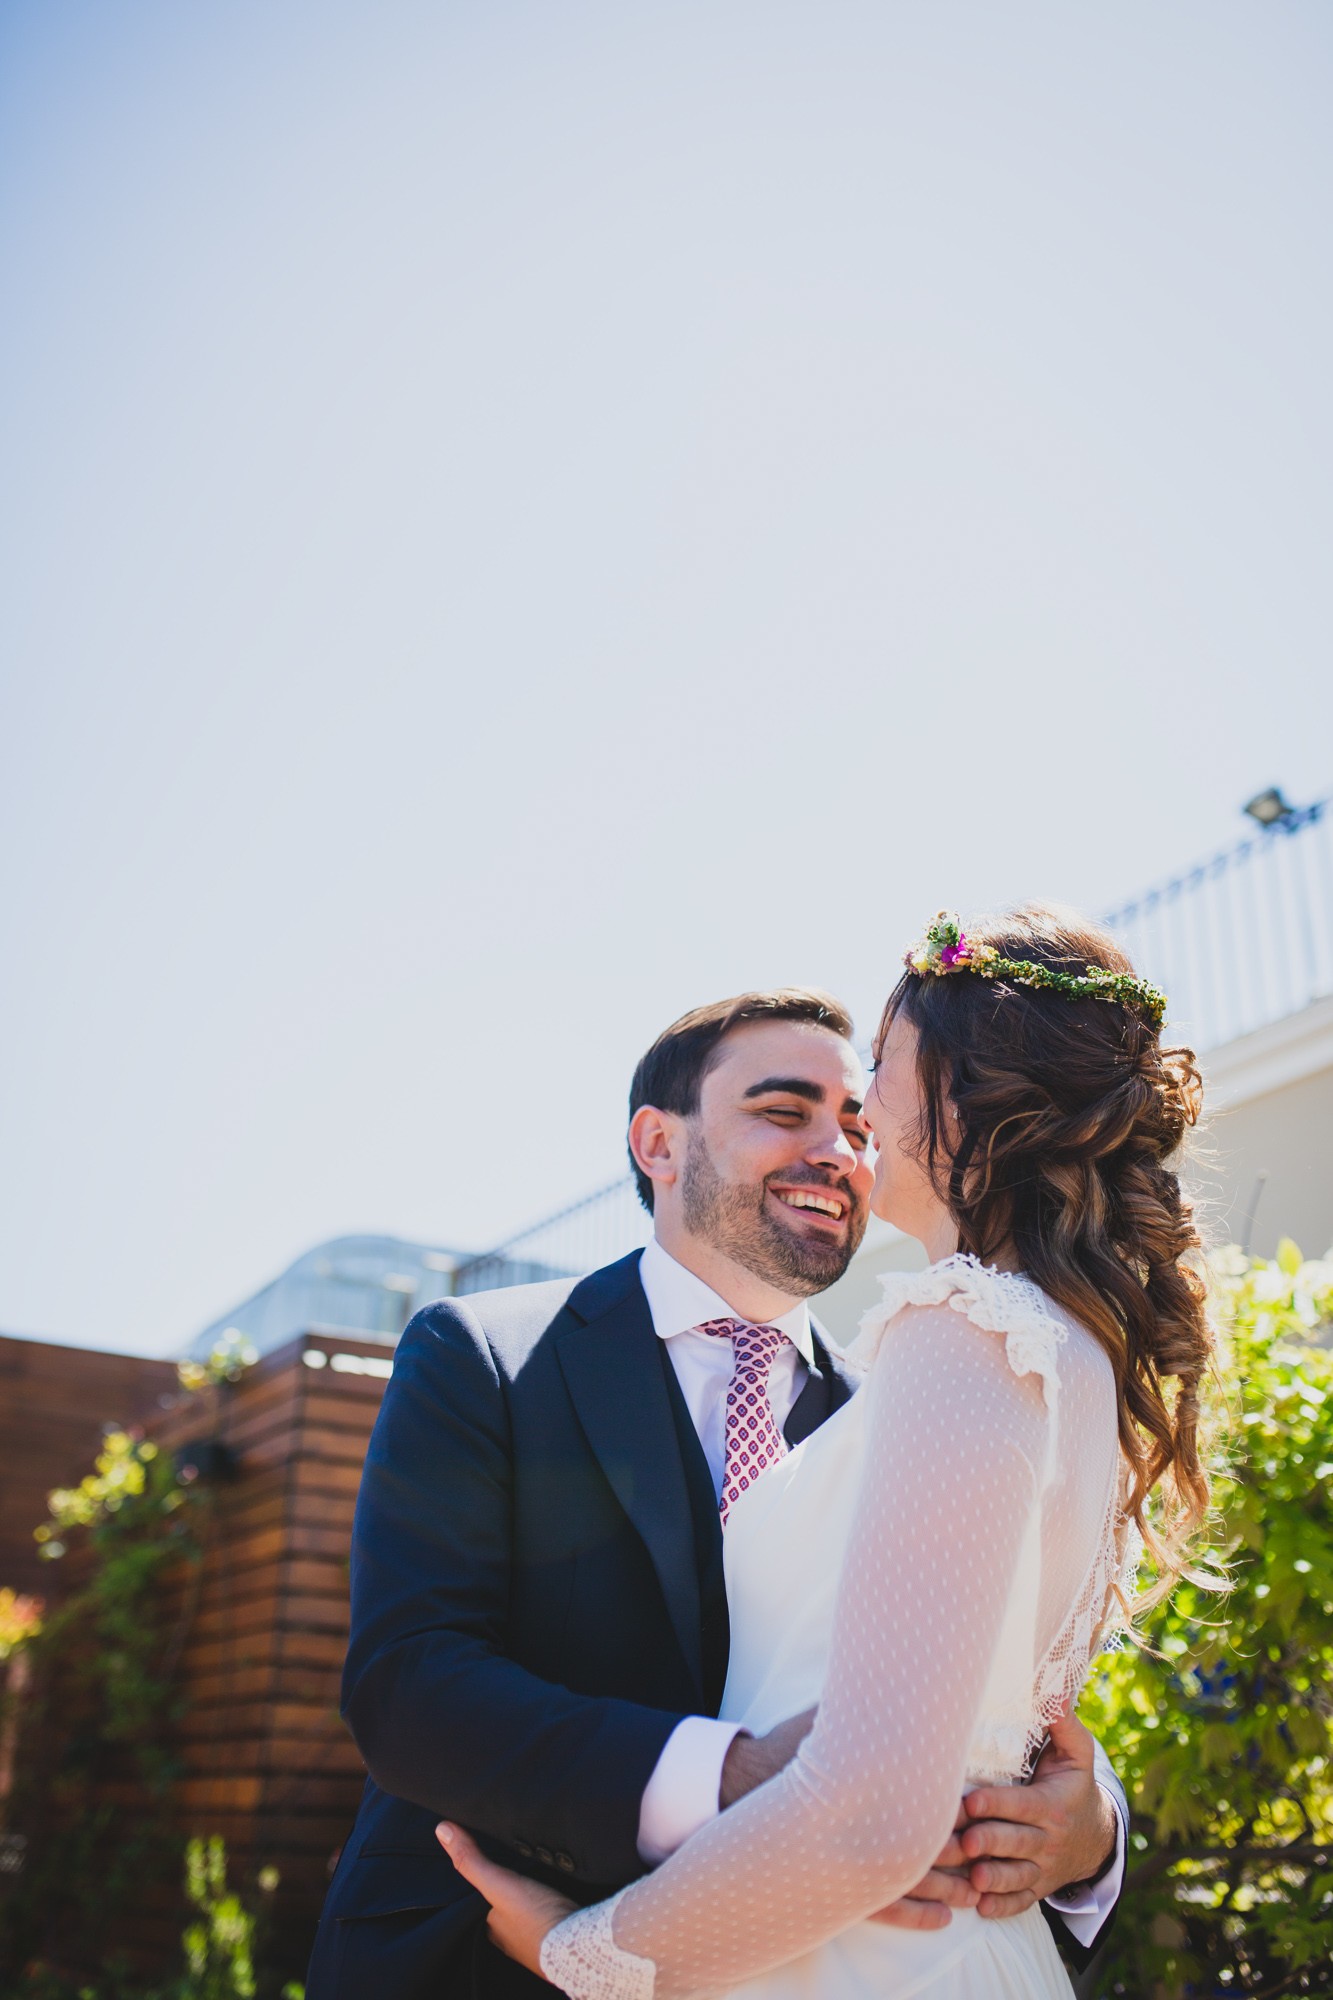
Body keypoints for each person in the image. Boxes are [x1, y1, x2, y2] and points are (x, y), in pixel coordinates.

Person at [435, 906, 1215, 2000]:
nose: (857, 1127)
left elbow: (871, 1808)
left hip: (857, 1958)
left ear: (954, 1090)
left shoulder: (960, 1334)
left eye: (875, 1077)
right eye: (790, 1109)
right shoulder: (1051, 1345)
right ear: (657, 1143)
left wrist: (578, 1951)